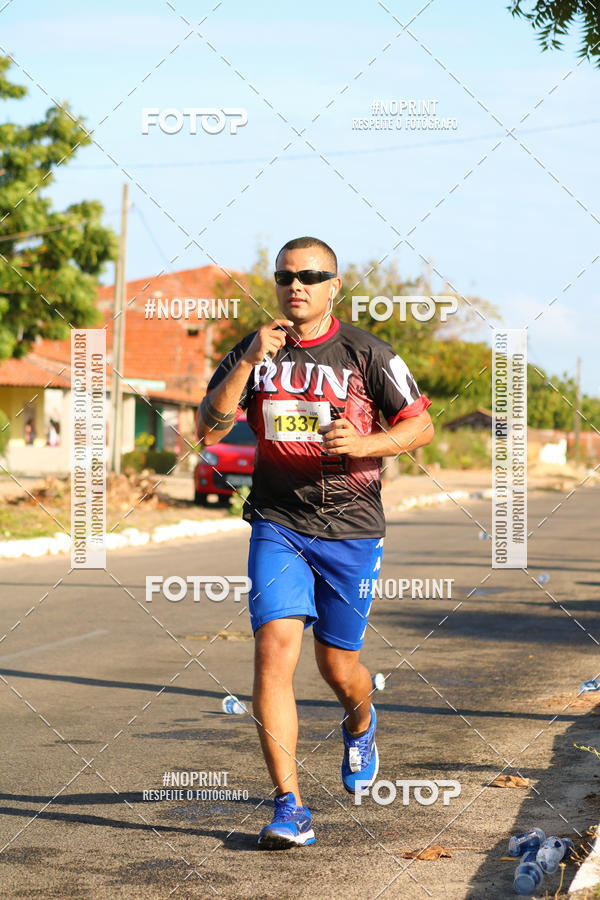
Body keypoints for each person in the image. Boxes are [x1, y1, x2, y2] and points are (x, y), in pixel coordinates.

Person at [197, 236, 434, 850]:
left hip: (351, 527)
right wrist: (248, 359)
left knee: (337, 666)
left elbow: (420, 424)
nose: (294, 284)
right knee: (275, 651)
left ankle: (361, 719)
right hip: (278, 521)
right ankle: (290, 806)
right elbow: (210, 424)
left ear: (334, 285)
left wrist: (366, 445)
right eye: (284, 276)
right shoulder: (253, 353)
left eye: (309, 274)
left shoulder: (366, 352)